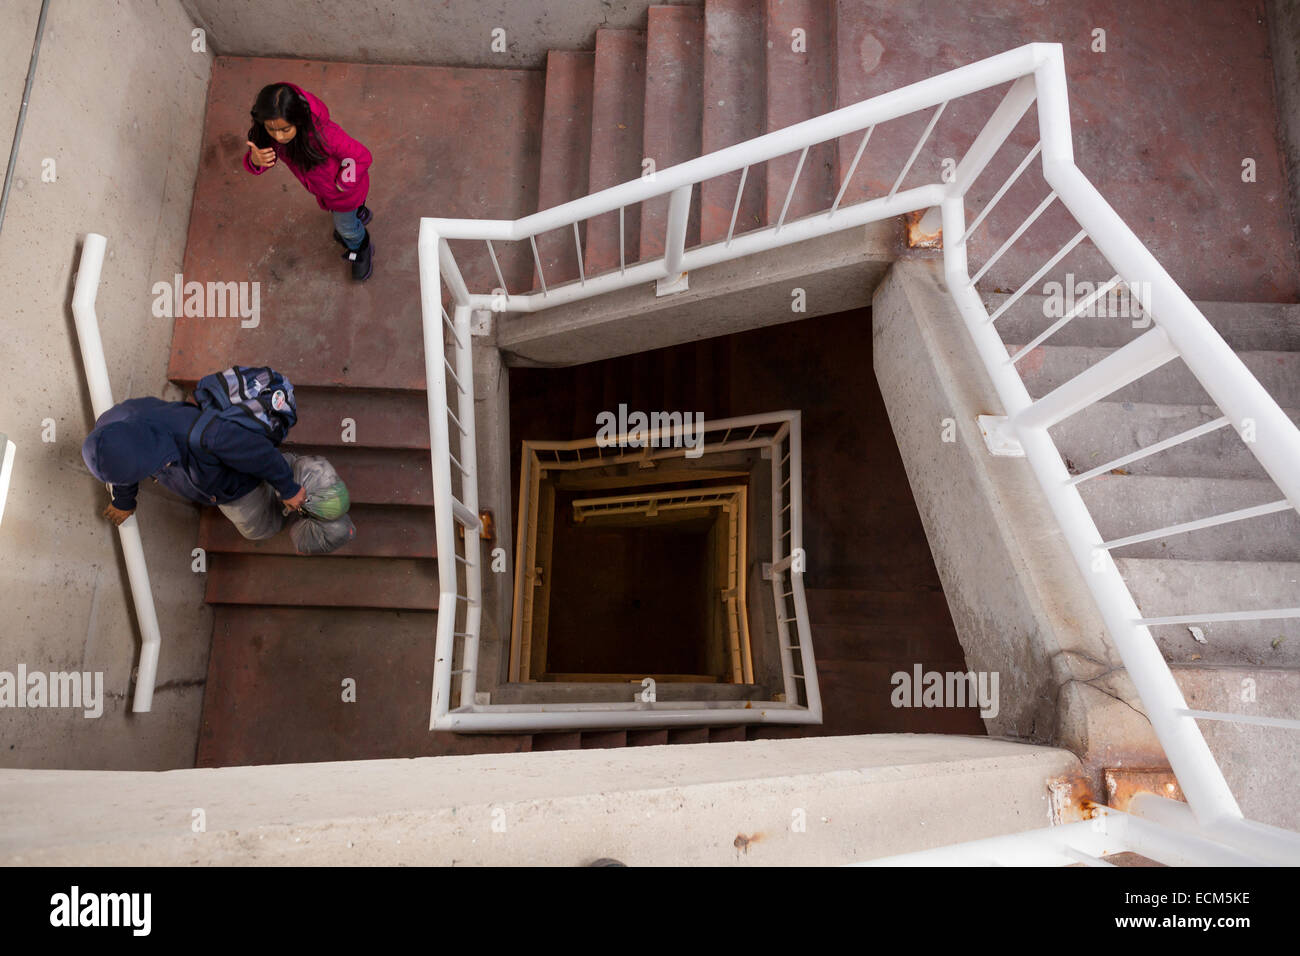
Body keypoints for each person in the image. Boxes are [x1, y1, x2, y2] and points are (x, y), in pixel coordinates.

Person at [82, 396, 305, 540]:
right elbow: (123, 466)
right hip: (216, 485)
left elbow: (257, 451)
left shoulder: (204, 436)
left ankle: (298, 480)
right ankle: (289, 493)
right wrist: (123, 500)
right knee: (257, 530)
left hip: (238, 486)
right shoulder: (112, 426)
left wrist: (288, 488)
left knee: (262, 527)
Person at [243, 82, 374, 280]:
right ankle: (358, 214)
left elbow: (361, 156)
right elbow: (264, 160)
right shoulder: (276, 133)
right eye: (271, 129)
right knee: (347, 219)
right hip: (327, 193)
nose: (278, 136)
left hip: (344, 195)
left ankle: (361, 248)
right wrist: (255, 160)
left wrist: (341, 184)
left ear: (298, 120)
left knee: (346, 229)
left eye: (285, 129)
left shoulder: (326, 135)